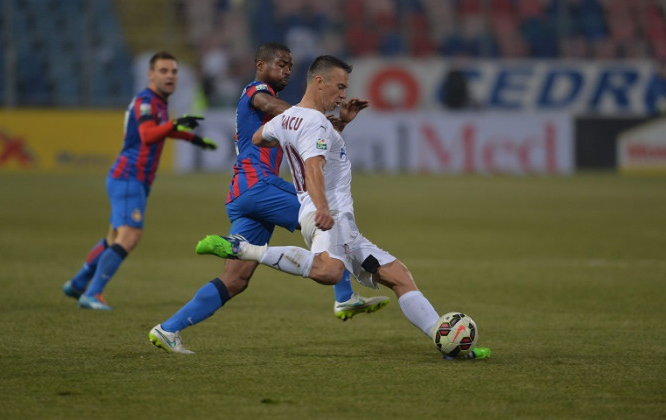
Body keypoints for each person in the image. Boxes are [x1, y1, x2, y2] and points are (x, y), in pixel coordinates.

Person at [194, 55, 491, 359]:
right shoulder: (315, 122)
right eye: (339, 86)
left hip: (341, 222)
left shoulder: (290, 118)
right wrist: (322, 207)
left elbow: (258, 138)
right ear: (319, 82)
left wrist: (338, 126)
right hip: (328, 215)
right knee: (329, 271)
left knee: (399, 276)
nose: (343, 94)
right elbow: (313, 168)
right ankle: (241, 249)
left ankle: (447, 345)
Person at [148, 43, 388, 354]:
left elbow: (301, 130)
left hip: (245, 196)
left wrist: (334, 123)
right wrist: (312, 116)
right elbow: (278, 111)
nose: (287, 70)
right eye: (281, 64)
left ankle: (168, 329)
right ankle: (344, 297)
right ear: (260, 64)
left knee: (235, 279)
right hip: (257, 185)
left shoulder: (282, 110)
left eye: (290, 66)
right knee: (321, 213)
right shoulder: (256, 90)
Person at [62, 51, 217, 310]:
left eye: (174, 71)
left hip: (135, 179)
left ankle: (78, 283)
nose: (170, 76)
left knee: (114, 237)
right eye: (164, 71)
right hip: (129, 176)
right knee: (130, 235)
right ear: (151, 74)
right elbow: (147, 135)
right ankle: (92, 293)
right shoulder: (145, 101)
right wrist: (176, 124)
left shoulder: (157, 102)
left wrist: (194, 139)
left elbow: (161, 131)